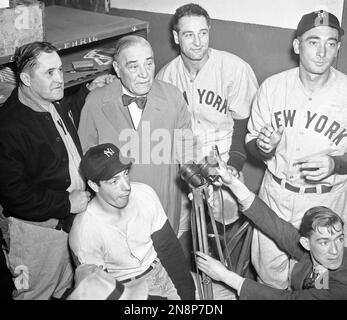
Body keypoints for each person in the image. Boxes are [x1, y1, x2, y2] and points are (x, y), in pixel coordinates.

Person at [0, 41, 114, 299]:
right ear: (27, 79)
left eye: (60, 70)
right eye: (49, 73)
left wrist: (86, 91)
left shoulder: (53, 99)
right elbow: (14, 195)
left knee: (65, 289)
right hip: (35, 236)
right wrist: (65, 202)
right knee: (36, 294)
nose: (60, 79)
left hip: (66, 224)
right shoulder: (8, 127)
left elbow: (57, 129)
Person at [245, 10, 347, 289]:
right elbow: (252, 142)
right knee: (268, 277)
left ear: (338, 47)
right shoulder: (272, 87)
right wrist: (265, 148)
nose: (322, 51)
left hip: (325, 202)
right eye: (313, 41)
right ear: (297, 45)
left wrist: (336, 164)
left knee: (319, 282)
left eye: (331, 43)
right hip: (275, 196)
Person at [156, 3, 258, 241]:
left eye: (203, 33)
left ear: (209, 31)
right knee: (179, 228)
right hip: (182, 163)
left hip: (222, 157)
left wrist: (233, 165)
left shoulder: (234, 69)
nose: (198, 41)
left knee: (223, 229)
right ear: (176, 36)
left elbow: (245, 123)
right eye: (188, 34)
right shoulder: (166, 76)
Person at [78, 35, 195, 235]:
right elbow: (87, 156)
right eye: (133, 67)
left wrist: (197, 181)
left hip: (162, 205)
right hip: (116, 213)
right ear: (116, 68)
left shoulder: (173, 97)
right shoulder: (96, 101)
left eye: (149, 64)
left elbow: (186, 149)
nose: (144, 74)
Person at [196, 159, 347, 299]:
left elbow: (287, 298)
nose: (335, 251)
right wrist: (231, 183)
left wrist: (226, 276)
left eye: (340, 239)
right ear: (306, 243)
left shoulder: (342, 285)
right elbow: (272, 223)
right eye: (324, 242)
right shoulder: (312, 254)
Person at [69, 143, 196, 300]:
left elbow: (170, 250)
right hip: (125, 289)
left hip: (162, 273)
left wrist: (188, 296)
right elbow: (102, 292)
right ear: (94, 185)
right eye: (114, 181)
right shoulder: (84, 230)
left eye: (125, 174)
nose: (126, 186)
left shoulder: (145, 194)